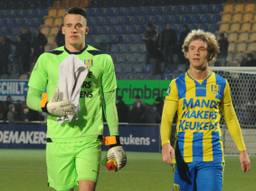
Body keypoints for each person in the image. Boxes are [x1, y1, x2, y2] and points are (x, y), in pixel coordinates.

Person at [26, 7, 126, 191]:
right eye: (69, 25)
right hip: (58, 140)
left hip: (89, 139)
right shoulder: (47, 59)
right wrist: (48, 106)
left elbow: (109, 103)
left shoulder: (103, 59)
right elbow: (31, 98)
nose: (74, 29)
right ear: (62, 29)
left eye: (78, 25)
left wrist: (115, 141)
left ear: (86, 30)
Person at [160, 29, 250, 191]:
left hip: (212, 156)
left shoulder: (221, 84)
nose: (196, 52)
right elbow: (166, 118)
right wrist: (165, 144)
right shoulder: (176, 84)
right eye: (192, 48)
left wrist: (242, 150)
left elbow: (230, 118)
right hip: (183, 157)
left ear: (210, 54)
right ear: (186, 54)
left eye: (201, 49)